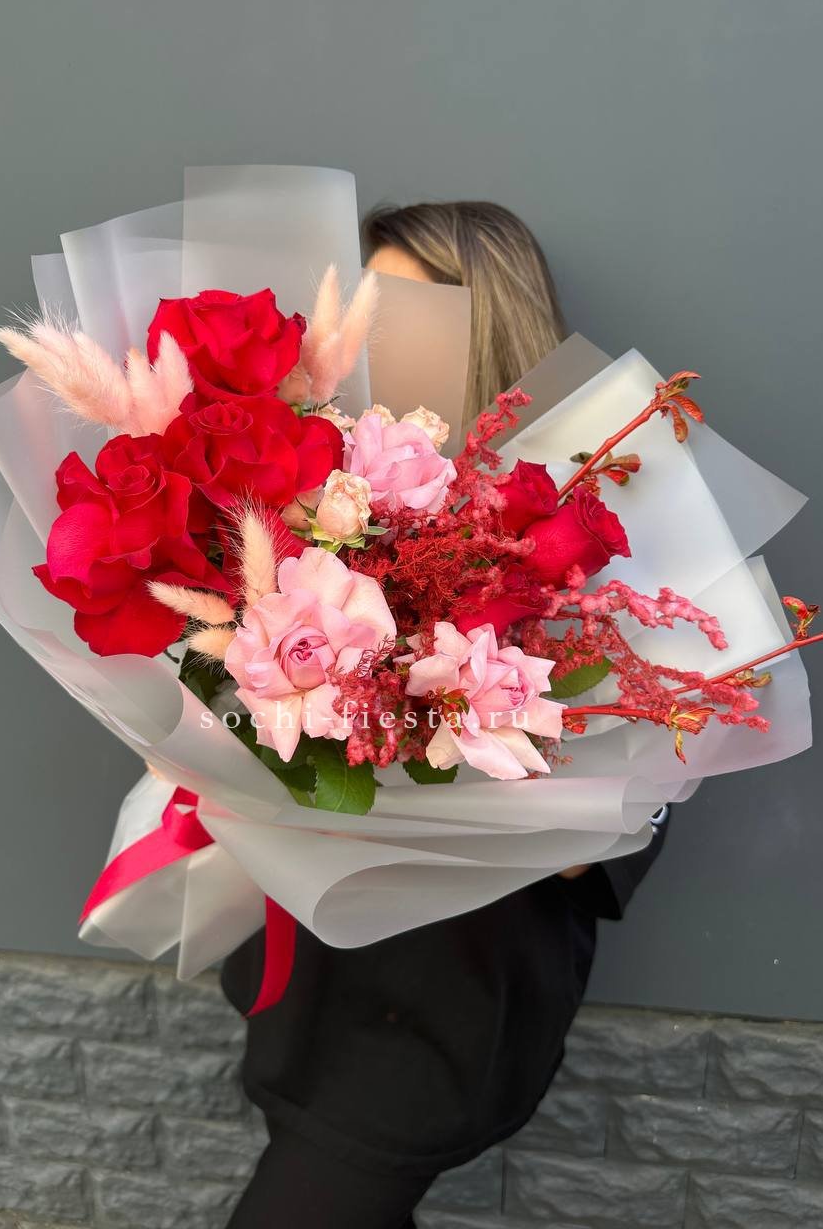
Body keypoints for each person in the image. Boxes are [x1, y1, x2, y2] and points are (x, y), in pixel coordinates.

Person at [221, 200, 669, 1229]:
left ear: (489, 329)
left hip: (439, 1005)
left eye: (409, 316)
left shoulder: (580, 536)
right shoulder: (323, 500)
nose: (373, 343)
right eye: (365, 312)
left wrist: (462, 725)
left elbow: (602, 840)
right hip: (311, 973)